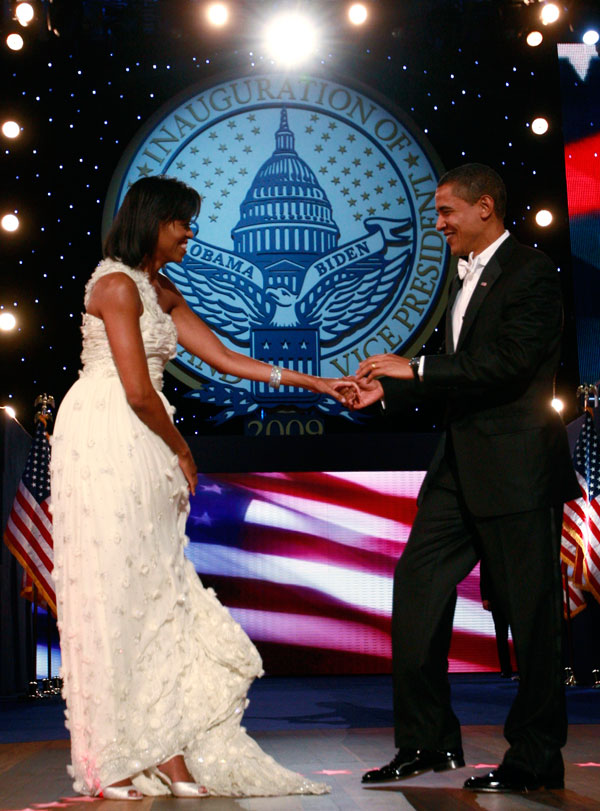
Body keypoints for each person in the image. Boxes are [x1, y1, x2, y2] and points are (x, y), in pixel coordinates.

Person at [50, 175, 351, 799]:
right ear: (152, 221)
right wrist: (183, 449)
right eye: (181, 221)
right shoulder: (113, 285)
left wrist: (312, 384)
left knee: (158, 594)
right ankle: (118, 756)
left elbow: (224, 358)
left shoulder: (160, 289)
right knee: (115, 591)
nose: (190, 232)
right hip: (113, 428)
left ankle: (170, 749)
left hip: (145, 434)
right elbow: (136, 389)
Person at [349, 164, 579, 793]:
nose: (439, 223)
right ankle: (426, 741)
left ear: (485, 207)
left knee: (532, 618)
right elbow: (456, 370)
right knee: (417, 588)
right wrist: (388, 395)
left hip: (516, 470)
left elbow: (505, 365)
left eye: (447, 211)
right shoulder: (464, 278)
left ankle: (536, 757)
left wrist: (416, 370)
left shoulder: (530, 274)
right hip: (458, 468)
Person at [480, 559, 514, 678]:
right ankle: (505, 669)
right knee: (501, 635)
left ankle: (524, 668)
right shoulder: (489, 551)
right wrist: (485, 597)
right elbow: (484, 576)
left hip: (514, 598)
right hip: (496, 598)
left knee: (520, 636)